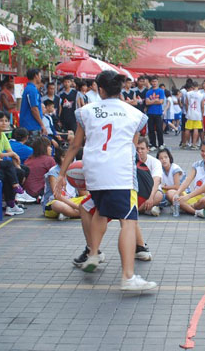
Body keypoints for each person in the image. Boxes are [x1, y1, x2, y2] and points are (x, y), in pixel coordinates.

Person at [55, 70, 157, 291]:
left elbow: (75, 145)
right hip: (120, 173)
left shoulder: (86, 111)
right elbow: (133, 146)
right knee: (128, 221)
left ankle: (93, 253)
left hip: (94, 171)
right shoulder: (134, 114)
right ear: (120, 90)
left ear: (99, 89)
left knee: (100, 211)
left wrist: (61, 174)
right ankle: (128, 277)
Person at [0, 111, 35, 204]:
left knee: (23, 170)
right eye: (1, 121)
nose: (4, 123)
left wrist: (17, 163)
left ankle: (14, 197)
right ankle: (11, 200)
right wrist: (12, 155)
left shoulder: (2, 135)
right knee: (10, 169)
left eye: (6, 121)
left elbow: (10, 151)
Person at [171, 141, 205, 218]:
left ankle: (188, 208)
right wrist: (177, 193)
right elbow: (187, 180)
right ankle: (197, 211)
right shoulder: (197, 164)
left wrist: (187, 197)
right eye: (202, 151)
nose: (204, 154)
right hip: (196, 196)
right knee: (171, 193)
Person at [42, 147, 84, 220]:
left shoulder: (74, 170)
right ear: (58, 158)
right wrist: (77, 207)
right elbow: (57, 196)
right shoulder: (53, 172)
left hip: (72, 200)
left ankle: (69, 213)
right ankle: (82, 214)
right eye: (64, 157)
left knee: (91, 199)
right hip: (54, 203)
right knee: (57, 205)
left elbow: (83, 193)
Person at [136, 137, 164, 217]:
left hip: (152, 191)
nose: (139, 151)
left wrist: (151, 197)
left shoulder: (155, 162)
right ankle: (147, 209)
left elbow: (156, 181)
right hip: (137, 190)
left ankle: (136, 211)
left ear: (148, 149)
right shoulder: (131, 161)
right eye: (137, 149)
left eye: (142, 149)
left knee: (159, 195)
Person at [20, 68, 47, 136]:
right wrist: (42, 125)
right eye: (40, 75)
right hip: (31, 126)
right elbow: (34, 109)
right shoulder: (32, 90)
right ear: (36, 76)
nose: (41, 78)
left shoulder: (29, 88)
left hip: (30, 125)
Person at [145, 76, 165, 150]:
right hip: (150, 112)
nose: (154, 83)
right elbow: (147, 103)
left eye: (155, 81)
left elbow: (161, 101)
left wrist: (151, 101)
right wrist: (155, 100)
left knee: (159, 129)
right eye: (153, 81)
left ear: (157, 82)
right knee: (151, 129)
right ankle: (153, 144)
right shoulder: (148, 92)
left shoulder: (161, 91)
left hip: (158, 113)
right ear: (151, 82)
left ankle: (161, 144)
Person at [184, 81, 204, 149]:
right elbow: (202, 106)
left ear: (192, 86)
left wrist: (187, 111)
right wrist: (202, 114)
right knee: (196, 129)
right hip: (198, 114)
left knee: (187, 128)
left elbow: (186, 104)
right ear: (198, 86)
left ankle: (187, 143)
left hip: (190, 113)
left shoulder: (188, 93)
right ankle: (194, 144)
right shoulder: (201, 95)